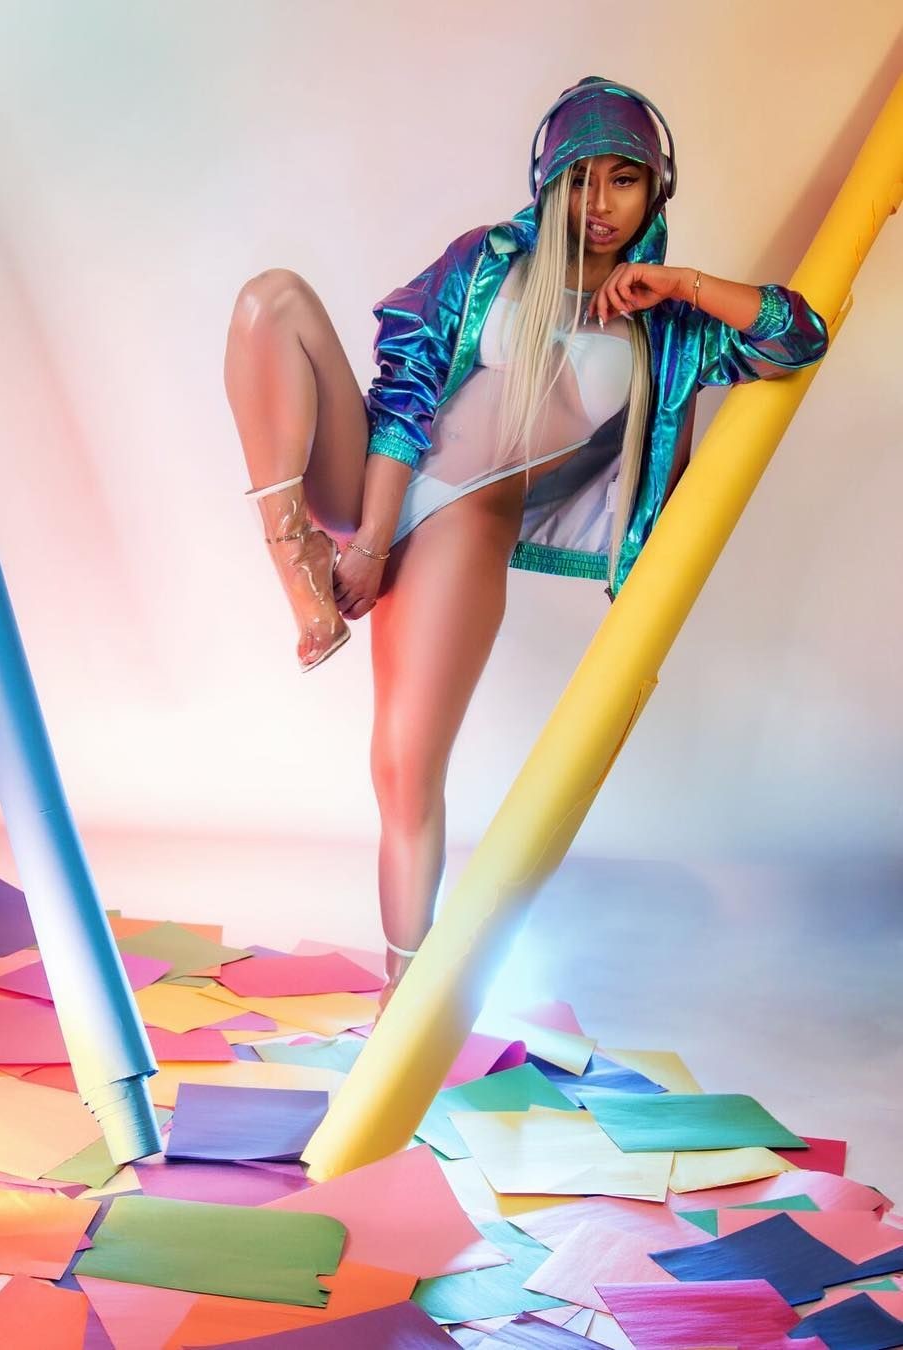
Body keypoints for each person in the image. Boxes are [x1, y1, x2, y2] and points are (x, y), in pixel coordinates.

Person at [222, 77, 829, 1017]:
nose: (600, 204)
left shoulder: (670, 327)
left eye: (624, 179)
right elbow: (409, 386)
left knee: (403, 771)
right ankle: (295, 567)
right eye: (581, 180)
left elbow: (800, 337)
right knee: (273, 300)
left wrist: (681, 283)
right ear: (549, 184)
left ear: (656, 188)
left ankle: (404, 999)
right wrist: (370, 538)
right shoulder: (489, 260)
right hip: (380, 477)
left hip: (466, 526)